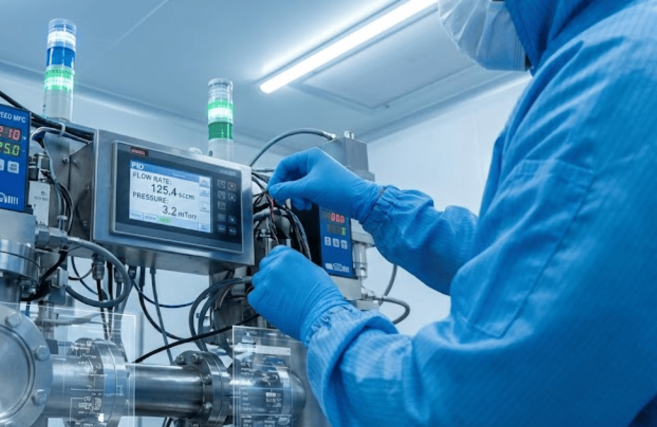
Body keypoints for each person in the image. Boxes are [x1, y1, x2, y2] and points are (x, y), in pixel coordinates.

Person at [247, 0, 657, 425]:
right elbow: (524, 260)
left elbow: (470, 402)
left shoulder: (607, 82)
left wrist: (323, 317)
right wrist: (374, 204)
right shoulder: (621, 47)